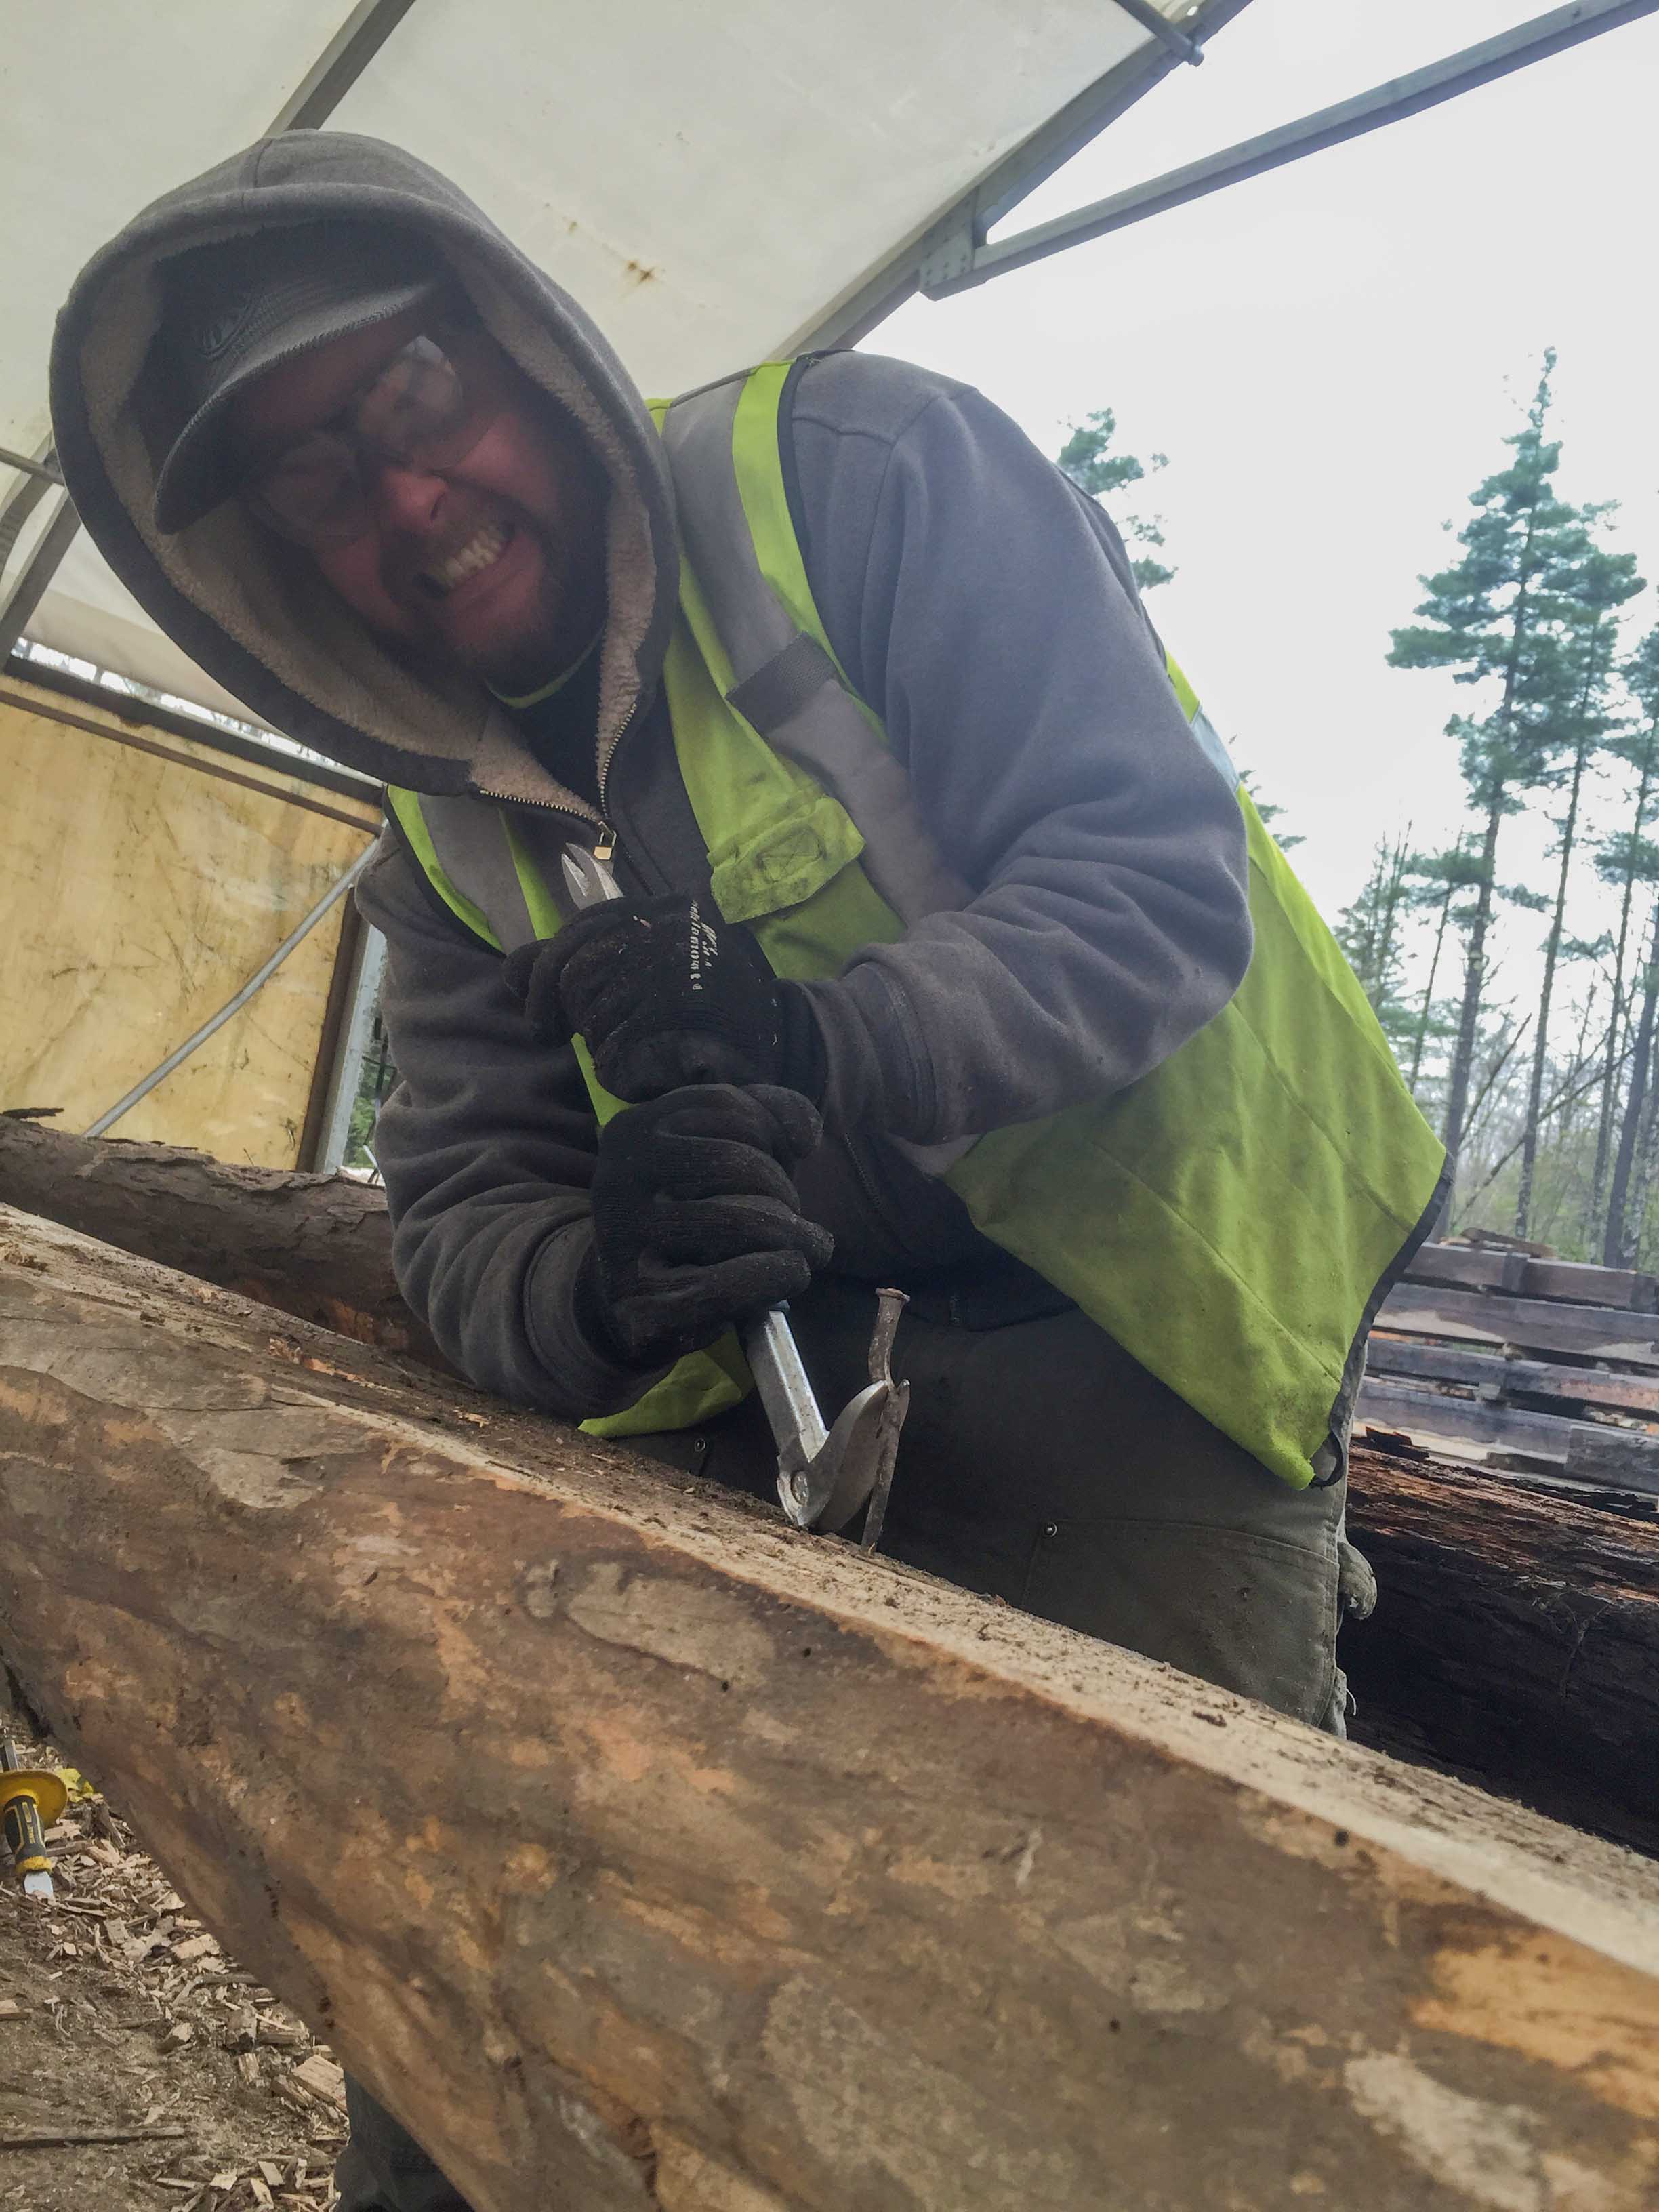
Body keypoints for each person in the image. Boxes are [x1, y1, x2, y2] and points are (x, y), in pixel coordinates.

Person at [54, 131, 1445, 2211]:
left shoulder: (867, 482)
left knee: (1146, 1998)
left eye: (411, 401)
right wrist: (609, 1286)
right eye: (321, 483)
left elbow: (1147, 887)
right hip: (779, 1374)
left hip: (1144, 1321)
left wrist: (820, 1042)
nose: (407, 501)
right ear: (275, 560)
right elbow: (460, 1217)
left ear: (517, 347)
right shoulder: (441, 848)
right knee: (515, 1928)